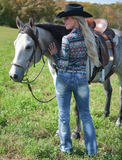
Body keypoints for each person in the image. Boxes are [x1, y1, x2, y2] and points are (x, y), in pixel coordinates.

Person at [48, 3, 101, 157]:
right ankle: (91, 150)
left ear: (76, 20)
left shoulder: (67, 39)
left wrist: (55, 54)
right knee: (86, 115)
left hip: (64, 80)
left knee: (64, 115)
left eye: (67, 18)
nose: (64, 21)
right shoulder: (88, 38)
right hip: (81, 79)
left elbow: (63, 64)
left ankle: (66, 149)